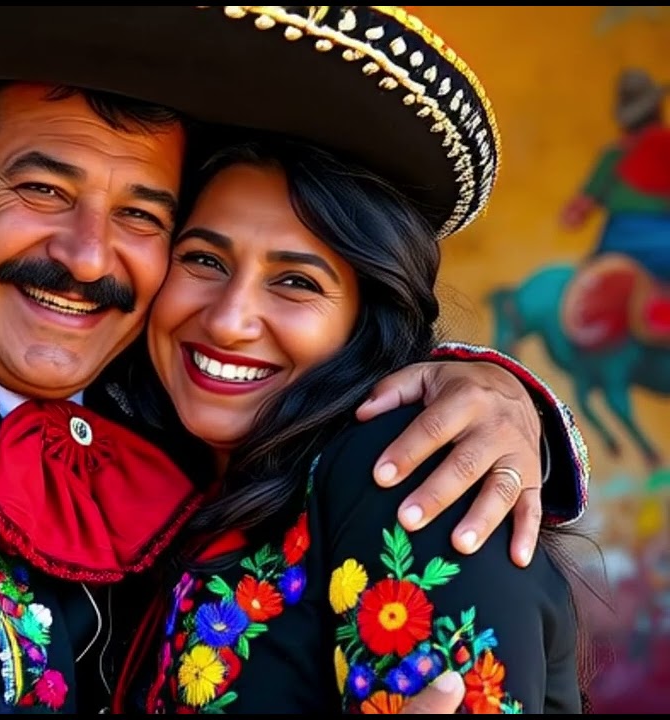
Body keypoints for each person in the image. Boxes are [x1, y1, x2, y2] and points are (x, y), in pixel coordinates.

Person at [0, 6, 590, 714]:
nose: (86, 257)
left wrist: (489, 390)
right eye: (42, 188)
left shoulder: (156, 407)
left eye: (141, 217)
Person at [100, 83, 588, 718]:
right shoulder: (160, 461)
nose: (227, 321)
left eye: (296, 282)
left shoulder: (408, 468)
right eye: (204, 260)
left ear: (367, 317)